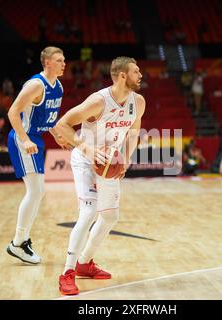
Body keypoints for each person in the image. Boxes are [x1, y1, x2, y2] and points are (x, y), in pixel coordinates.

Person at [54, 56, 145, 295]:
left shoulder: (139, 102)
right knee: (88, 213)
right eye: (136, 71)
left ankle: (85, 262)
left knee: (111, 217)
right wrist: (86, 148)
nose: (141, 75)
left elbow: (133, 133)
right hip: (86, 161)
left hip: (110, 162)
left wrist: (125, 157)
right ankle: (67, 272)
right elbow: (62, 124)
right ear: (122, 75)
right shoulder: (98, 101)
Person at [6, 46, 69, 264]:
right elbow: (13, 111)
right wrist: (24, 139)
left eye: (64, 60)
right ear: (47, 63)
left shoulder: (58, 87)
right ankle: (18, 243)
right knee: (35, 191)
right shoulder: (35, 85)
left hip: (37, 138)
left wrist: (57, 135)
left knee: (38, 192)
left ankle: (20, 241)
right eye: (59, 60)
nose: (64, 63)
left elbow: (48, 119)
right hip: (23, 137)